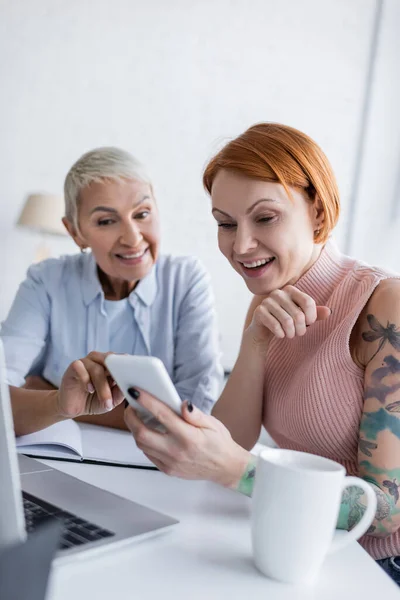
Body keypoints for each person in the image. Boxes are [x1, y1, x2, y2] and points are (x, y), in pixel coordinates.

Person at [117, 123, 400, 584]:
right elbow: (235, 439)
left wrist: (236, 472)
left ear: (319, 212)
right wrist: (253, 344)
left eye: (264, 218)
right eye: (225, 224)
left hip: (379, 568)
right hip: (305, 547)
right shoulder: (267, 300)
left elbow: (385, 513)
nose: (240, 245)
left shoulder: (383, 305)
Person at [2, 147, 223, 436]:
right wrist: (59, 402)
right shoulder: (46, 279)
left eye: (142, 213)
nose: (133, 238)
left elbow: (195, 416)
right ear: (75, 232)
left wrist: (52, 396)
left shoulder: (185, 279)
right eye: (106, 221)